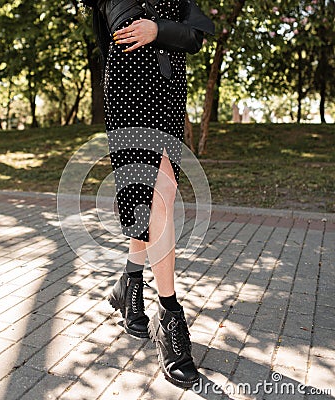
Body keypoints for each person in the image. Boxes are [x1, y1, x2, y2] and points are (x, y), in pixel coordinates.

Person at [82, 0, 214, 389]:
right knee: (158, 194)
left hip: (168, 89)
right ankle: (169, 314)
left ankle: (129, 284)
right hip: (128, 88)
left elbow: (195, 36)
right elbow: (119, 24)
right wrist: (156, 27)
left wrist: (158, 30)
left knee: (156, 199)